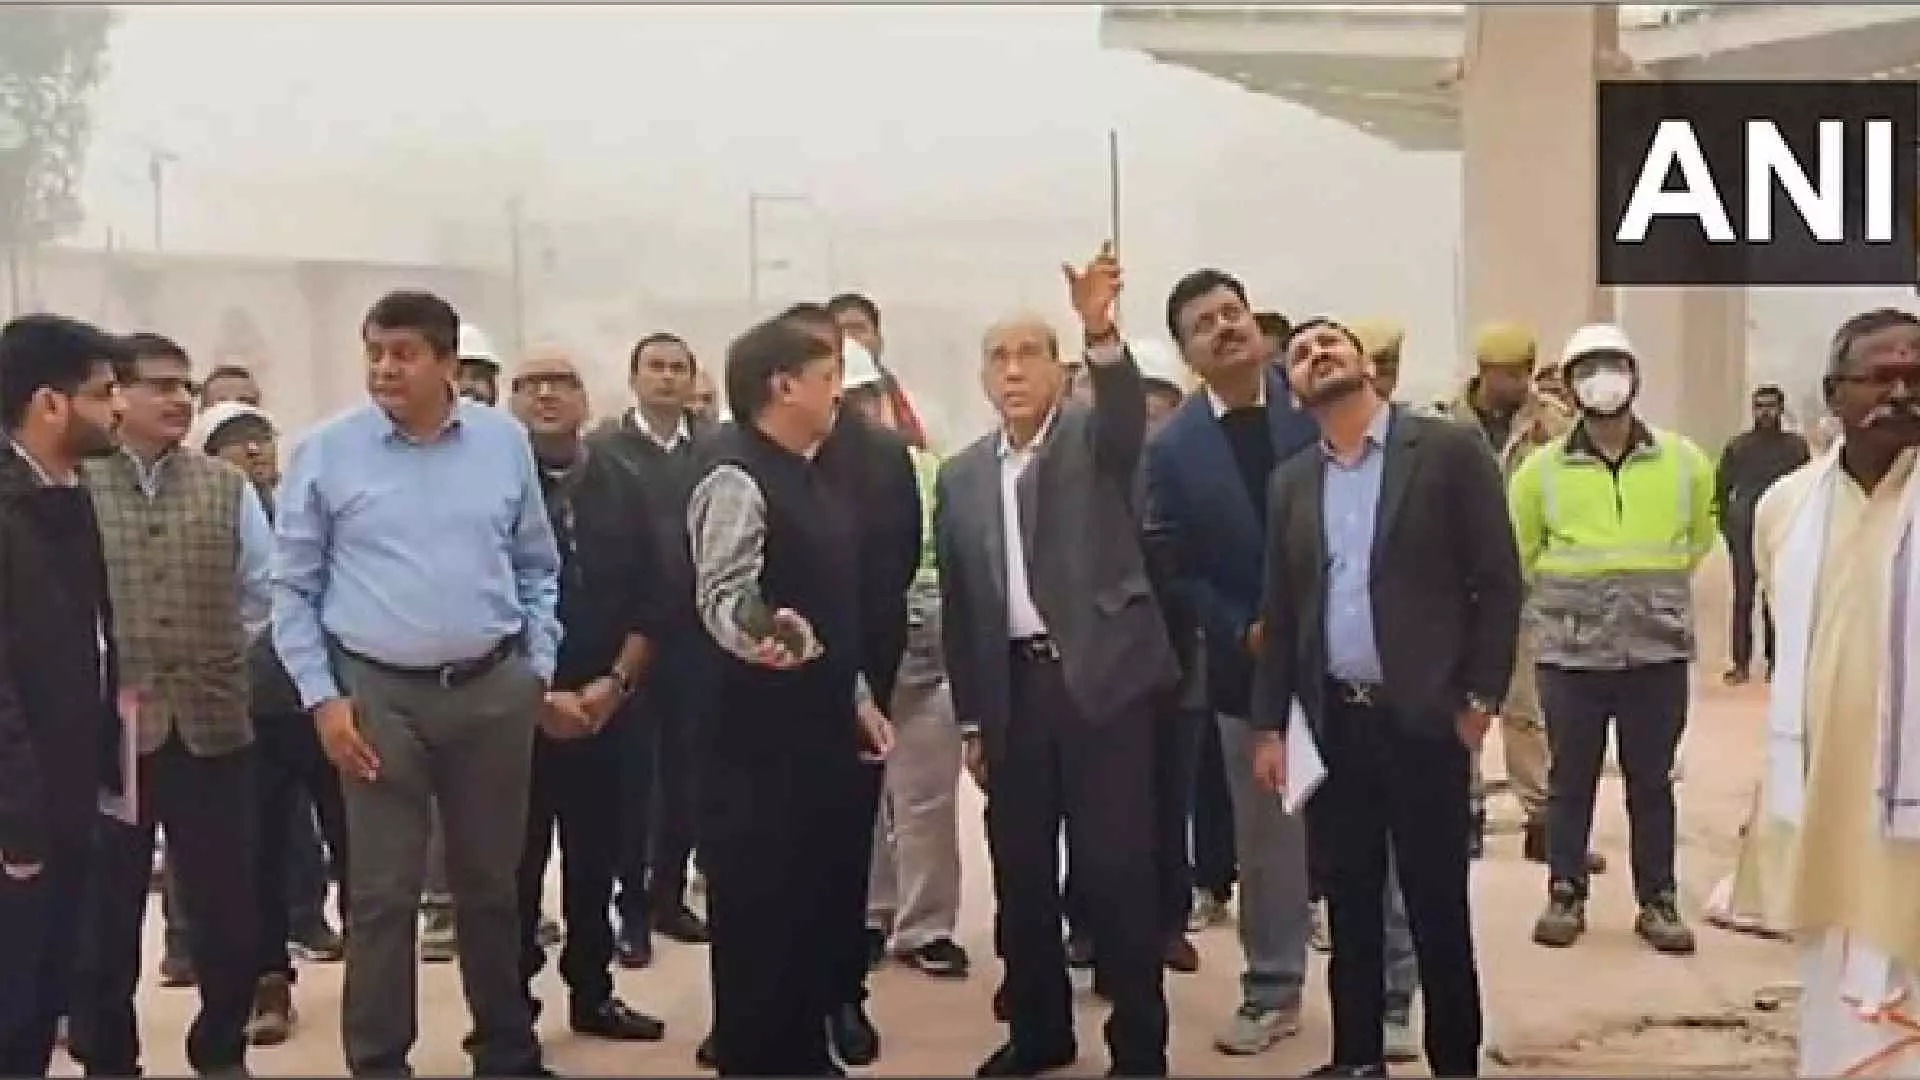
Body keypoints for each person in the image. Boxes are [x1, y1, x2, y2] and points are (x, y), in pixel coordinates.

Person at [271, 290, 559, 1077]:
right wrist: (323, 699)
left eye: (403, 353)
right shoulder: (326, 452)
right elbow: (291, 587)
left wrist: (536, 665)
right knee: (382, 894)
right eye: (374, 353)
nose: (385, 369)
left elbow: (536, 564)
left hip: (493, 690)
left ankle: (506, 1050)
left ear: (447, 363)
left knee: (492, 887)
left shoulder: (503, 443)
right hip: (377, 698)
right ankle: (378, 1061)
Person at [1251, 316, 1520, 1079]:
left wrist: (1480, 698)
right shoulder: (1292, 482)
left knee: (1437, 909)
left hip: (1427, 721)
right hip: (1337, 723)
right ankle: (1357, 1058)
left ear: (1366, 364)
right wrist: (1269, 727)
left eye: (1330, 343)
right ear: (1293, 390)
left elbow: (1498, 581)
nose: (1317, 354)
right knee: (1351, 906)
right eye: (1302, 353)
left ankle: (1454, 1062)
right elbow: (1282, 612)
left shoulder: (1444, 452)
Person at [939, 244, 1177, 1078]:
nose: (1013, 371)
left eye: (1029, 354)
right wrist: (973, 719)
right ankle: (1040, 1030)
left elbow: (1124, 411)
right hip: (1013, 695)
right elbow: (963, 607)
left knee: (1117, 872)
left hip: (1102, 688)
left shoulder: (1093, 443)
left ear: (1059, 368)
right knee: (1022, 876)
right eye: (997, 358)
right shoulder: (962, 477)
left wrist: (1100, 329)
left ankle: (1139, 1045)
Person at [688, 316, 894, 1076]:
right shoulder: (736, 476)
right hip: (753, 750)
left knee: (810, 916)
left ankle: (805, 1054)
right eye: (828, 375)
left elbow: (832, 604)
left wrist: (857, 697)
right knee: (761, 925)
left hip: (818, 737)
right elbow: (725, 594)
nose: (839, 393)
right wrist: (769, 633)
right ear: (784, 385)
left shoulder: (811, 473)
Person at [68, 332, 273, 1079]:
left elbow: (261, 593)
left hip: (213, 724)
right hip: (111, 731)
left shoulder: (225, 487)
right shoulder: (76, 484)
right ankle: (108, 1058)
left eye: (186, 387)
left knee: (228, 909)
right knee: (105, 911)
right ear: (117, 396)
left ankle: (221, 1046)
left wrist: (211, 652)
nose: (179, 400)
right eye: (160, 386)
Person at [1509, 324, 1715, 957]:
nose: (1603, 381)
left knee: (1651, 781)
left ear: (1635, 378)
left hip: (1657, 648)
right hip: (1571, 654)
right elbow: (1524, 550)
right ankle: (1565, 892)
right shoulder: (1539, 472)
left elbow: (1699, 536)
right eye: (1588, 369)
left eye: (1614, 366)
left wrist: (1643, 594)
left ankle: (1658, 900)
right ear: (1570, 386)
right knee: (1569, 779)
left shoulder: (1684, 460)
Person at [1754, 307, 1920, 1076]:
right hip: (1826, 799)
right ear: (1833, 393)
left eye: (1916, 377)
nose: (1902, 394)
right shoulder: (1786, 507)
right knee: (1836, 997)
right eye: (1881, 377)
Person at [505, 348, 669, 1041]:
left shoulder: (625, 483)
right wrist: (536, 696)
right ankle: (511, 1012)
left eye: (561, 382)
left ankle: (593, 991)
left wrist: (615, 686)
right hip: (513, 712)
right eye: (531, 384)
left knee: (597, 857)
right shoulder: (490, 486)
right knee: (513, 869)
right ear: (511, 401)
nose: (546, 394)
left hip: (611, 706)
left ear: (585, 398)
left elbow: (655, 596)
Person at [183, 399, 350, 1047]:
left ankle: (374, 976)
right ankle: (269, 982)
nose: (253, 450)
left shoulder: (311, 505)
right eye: (235, 440)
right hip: (249, 709)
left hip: (328, 703)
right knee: (261, 853)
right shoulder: (204, 516)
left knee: (358, 842)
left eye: (260, 437)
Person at [0, 315, 129, 1077]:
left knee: (46, 991)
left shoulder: (68, 495)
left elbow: (92, 642)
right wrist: (19, 822)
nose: (119, 408)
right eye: (103, 393)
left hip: (70, 791)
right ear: (50, 404)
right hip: (20, 806)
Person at [1447, 321, 1604, 873]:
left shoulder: (1557, 427)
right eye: (1503, 374)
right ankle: (1463, 813)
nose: (1514, 384)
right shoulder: (1444, 426)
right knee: (1460, 701)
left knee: (1529, 708)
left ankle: (1543, 822)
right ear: (1482, 373)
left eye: (1521, 373)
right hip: (1458, 584)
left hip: (1527, 584)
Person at [589, 331, 715, 966]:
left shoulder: (714, 450)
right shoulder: (603, 453)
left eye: (677, 368)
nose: (666, 378)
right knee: (633, 780)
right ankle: (630, 910)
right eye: (655, 367)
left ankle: (669, 894)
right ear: (634, 378)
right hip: (631, 636)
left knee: (689, 774)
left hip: (698, 637)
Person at [846, 345, 971, 981]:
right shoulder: (809, 473)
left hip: (928, 645)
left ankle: (926, 927)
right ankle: (869, 915)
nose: (860, 411)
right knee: (861, 796)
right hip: (853, 651)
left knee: (927, 797)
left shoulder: (927, 468)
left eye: (867, 397)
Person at [1715, 384, 1809, 685]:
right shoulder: (1738, 447)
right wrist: (1727, 526)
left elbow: (1808, 486)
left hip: (1783, 529)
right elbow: (1721, 490)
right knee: (1743, 597)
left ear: (1781, 409)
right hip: (1744, 528)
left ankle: (1776, 662)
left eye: (1770, 406)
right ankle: (1740, 663)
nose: (1765, 412)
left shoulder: (1795, 448)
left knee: (1777, 596)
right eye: (1760, 406)